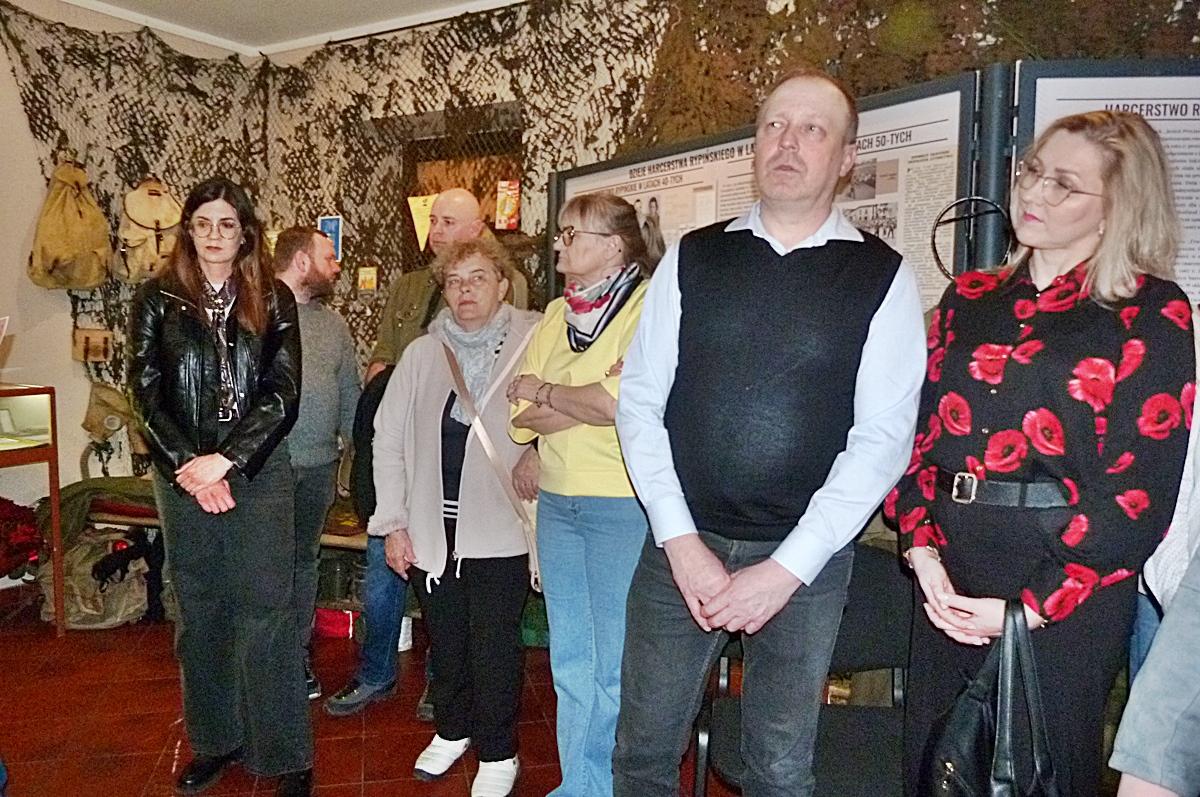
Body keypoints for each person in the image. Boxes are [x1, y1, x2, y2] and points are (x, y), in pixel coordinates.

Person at [612, 68, 925, 796]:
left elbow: (883, 439)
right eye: (774, 125)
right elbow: (640, 402)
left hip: (805, 563)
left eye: (813, 128)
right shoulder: (693, 257)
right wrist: (680, 543)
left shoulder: (882, 276)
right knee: (642, 753)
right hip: (679, 548)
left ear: (846, 157)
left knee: (780, 770)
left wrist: (786, 569)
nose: (787, 142)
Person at [889, 110, 1195, 797]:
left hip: (1068, 591)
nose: (1034, 192)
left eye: (1065, 184)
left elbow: (1140, 494)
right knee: (934, 768)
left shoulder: (1151, 312)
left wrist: (1028, 608)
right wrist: (922, 551)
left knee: (1036, 775)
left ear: (1117, 207)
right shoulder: (968, 298)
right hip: (949, 577)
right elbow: (916, 441)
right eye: (1032, 171)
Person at [128, 177, 313, 797]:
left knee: (267, 614)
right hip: (183, 478)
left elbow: (283, 392)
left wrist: (227, 461)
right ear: (188, 231)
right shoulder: (156, 297)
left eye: (227, 224)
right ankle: (215, 741)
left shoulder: (274, 298)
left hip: (257, 473)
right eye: (203, 223)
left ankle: (283, 754)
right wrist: (190, 465)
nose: (214, 235)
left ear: (245, 234)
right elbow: (144, 392)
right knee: (200, 613)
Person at [342, 186, 537, 722]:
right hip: (428, 510)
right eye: (454, 282)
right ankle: (444, 718)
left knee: (494, 641)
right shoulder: (421, 336)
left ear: (501, 284)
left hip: (496, 520)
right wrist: (393, 517)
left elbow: (550, 402)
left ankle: (495, 746)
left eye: (477, 279)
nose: (465, 289)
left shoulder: (531, 334)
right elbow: (386, 407)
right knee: (442, 629)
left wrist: (539, 451)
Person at [507, 193, 653, 797]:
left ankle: (608, 786)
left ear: (615, 246)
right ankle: (579, 785)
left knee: (613, 665)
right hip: (557, 505)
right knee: (570, 662)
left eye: (573, 234)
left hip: (619, 504)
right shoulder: (553, 315)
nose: (559, 243)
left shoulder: (646, 307)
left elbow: (619, 406)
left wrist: (546, 389)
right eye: (561, 232)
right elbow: (518, 417)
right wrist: (578, 396)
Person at [273, 226, 361, 700]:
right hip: (267, 470)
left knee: (304, 561)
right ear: (302, 262)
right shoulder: (256, 317)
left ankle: (295, 656)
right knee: (266, 565)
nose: (337, 266)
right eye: (330, 257)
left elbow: (348, 393)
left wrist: (357, 457)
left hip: (319, 466)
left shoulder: (334, 326)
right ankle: (266, 661)